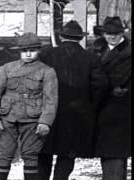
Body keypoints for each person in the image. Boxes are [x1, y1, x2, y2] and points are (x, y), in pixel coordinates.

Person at [37, 20, 109, 180]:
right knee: (67, 154)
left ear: (61, 37)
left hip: (47, 113)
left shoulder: (46, 55)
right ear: (79, 38)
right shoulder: (91, 58)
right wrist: (90, 106)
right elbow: (101, 86)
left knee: (43, 153)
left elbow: (35, 82)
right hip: (77, 114)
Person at [0, 32, 58, 180]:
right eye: (24, 50)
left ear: (38, 51)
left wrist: (45, 122)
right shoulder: (8, 69)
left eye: (32, 50)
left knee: (30, 155)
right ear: (19, 51)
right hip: (7, 119)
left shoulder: (47, 71)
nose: (28, 54)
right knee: (4, 155)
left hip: (32, 121)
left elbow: (50, 99)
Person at [95, 16, 131, 180]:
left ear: (122, 33)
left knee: (115, 152)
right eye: (108, 33)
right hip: (101, 108)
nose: (112, 36)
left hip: (122, 109)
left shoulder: (129, 52)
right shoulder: (97, 50)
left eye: (115, 33)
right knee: (110, 153)